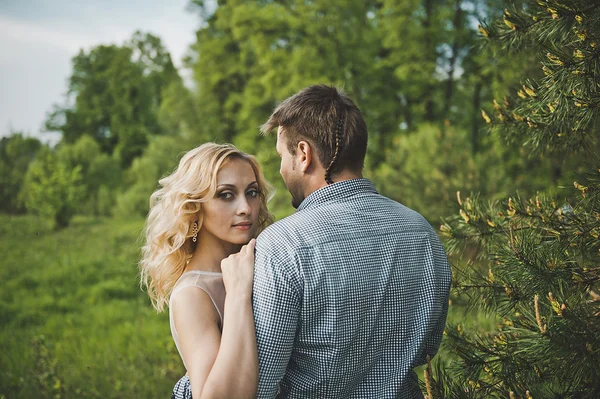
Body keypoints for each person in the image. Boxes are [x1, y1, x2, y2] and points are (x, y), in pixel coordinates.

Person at [252, 84, 452, 398]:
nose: (280, 169)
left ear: (304, 155)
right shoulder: (422, 233)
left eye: (281, 156)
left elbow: (259, 384)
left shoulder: (282, 246)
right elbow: (427, 347)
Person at [139, 143, 273, 399]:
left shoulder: (257, 263)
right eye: (226, 195)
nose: (245, 207)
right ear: (195, 206)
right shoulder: (193, 293)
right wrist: (237, 293)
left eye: (252, 192)